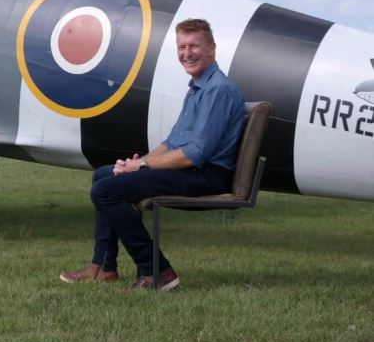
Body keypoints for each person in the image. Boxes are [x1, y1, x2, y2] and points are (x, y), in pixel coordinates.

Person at [59, 18, 245, 291]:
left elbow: (194, 154)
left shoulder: (218, 90)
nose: (187, 53)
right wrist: (138, 163)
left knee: (106, 191)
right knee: (103, 175)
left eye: (194, 46)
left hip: (205, 176)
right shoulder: (198, 88)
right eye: (181, 47)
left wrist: (144, 165)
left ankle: (155, 269)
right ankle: (104, 267)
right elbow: (172, 143)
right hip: (190, 171)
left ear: (212, 49)